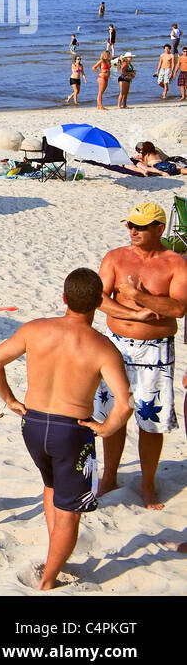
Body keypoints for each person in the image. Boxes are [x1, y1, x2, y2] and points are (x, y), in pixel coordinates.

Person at [0, 269, 134, 590]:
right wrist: (106, 429)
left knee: (51, 485)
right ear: (98, 303)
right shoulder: (103, 346)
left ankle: (54, 553)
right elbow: (124, 404)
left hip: (33, 424)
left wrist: (9, 399)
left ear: (63, 298)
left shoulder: (35, 329)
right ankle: (48, 580)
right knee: (70, 513)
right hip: (72, 431)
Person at [92, 203, 187, 509]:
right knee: (113, 414)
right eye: (130, 225)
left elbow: (178, 309)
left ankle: (147, 484)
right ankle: (109, 476)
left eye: (141, 226)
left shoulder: (176, 264)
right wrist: (135, 313)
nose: (133, 231)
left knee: (151, 420)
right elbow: (99, 298)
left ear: (160, 229)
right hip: (116, 346)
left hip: (156, 350)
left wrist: (139, 297)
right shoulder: (116, 258)